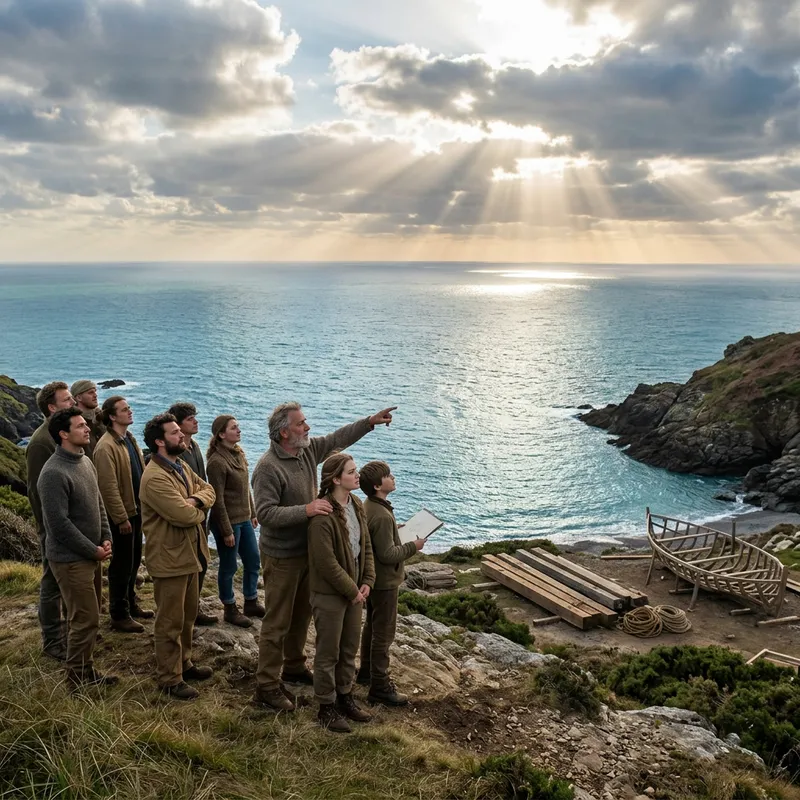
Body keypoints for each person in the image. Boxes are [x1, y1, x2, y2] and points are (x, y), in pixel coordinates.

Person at [251, 401, 397, 712]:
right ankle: (266, 686)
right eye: (301, 423)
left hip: (308, 552)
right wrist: (306, 509)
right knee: (278, 621)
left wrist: (368, 422)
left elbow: (336, 439)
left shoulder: (306, 451)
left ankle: (293, 667)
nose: (307, 427)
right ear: (284, 432)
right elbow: (264, 514)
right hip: (281, 556)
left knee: (302, 616)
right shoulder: (267, 467)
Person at [38, 407, 117, 688]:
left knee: (88, 617)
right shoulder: (53, 473)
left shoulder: (84, 461)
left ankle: (86, 670)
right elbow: (58, 525)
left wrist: (106, 537)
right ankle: (76, 680)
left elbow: (98, 503)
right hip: (70, 559)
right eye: (80, 426)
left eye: (86, 424)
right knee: (85, 619)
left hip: (90, 554)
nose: (87, 428)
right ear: (63, 434)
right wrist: (92, 550)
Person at [140, 412, 216, 700]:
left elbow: (208, 489)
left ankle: (184, 664)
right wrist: (199, 511)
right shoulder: (154, 478)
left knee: (187, 617)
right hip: (169, 558)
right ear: (160, 441)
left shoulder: (179, 464)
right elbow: (184, 516)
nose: (181, 435)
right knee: (170, 621)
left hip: (189, 554)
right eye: (174, 433)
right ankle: (169, 678)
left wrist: (195, 500)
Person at [308, 453, 375, 732]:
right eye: (351, 471)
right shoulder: (322, 516)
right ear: (336, 479)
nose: (357, 475)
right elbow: (326, 563)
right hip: (330, 594)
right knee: (328, 652)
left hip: (355, 592)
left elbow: (365, 545)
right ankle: (326, 706)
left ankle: (345, 696)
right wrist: (352, 590)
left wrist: (368, 579)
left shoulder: (356, 504)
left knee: (348, 648)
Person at [357, 461, 425, 706]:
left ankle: (366, 672)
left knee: (371, 627)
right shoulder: (382, 515)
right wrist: (413, 546)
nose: (393, 477)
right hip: (385, 581)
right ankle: (380, 686)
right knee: (384, 633)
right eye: (388, 475)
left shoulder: (369, 506)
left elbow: (376, 539)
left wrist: (395, 531)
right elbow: (387, 555)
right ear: (377, 486)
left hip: (373, 578)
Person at [94, 396, 152, 633]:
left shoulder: (128, 438)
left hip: (135, 511)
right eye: (124, 409)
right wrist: (120, 518)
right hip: (123, 516)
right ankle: (119, 614)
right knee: (121, 565)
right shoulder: (105, 446)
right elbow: (108, 487)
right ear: (111, 416)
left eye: (129, 408)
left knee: (134, 561)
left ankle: (130, 604)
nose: (130, 411)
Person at [26, 380, 75, 660]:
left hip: (71, 524)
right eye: (67, 400)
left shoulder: (63, 434)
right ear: (52, 407)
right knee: (52, 581)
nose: (73, 403)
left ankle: (72, 631)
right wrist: (49, 528)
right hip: (53, 527)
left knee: (67, 581)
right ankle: (52, 639)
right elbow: (36, 492)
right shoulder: (41, 443)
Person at [206, 415, 263, 628]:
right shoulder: (216, 462)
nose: (238, 430)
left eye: (238, 426)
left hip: (244, 519)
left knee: (253, 560)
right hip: (227, 522)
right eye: (233, 428)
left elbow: (245, 487)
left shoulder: (238, 454)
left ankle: (251, 601)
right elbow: (217, 500)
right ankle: (229, 607)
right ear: (222, 434)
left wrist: (253, 512)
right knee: (229, 566)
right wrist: (226, 530)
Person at [169, 401, 217, 626]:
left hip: (201, 513)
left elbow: (203, 482)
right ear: (178, 424)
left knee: (202, 562)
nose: (196, 422)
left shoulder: (195, 446)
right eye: (190, 419)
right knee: (189, 565)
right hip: (188, 514)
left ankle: (194, 608)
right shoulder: (177, 453)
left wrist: (204, 502)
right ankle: (184, 612)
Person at [70, 380, 104, 459]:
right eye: (90, 392)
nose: (95, 395)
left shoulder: (101, 418)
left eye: (95, 391)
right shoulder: (74, 424)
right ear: (79, 397)